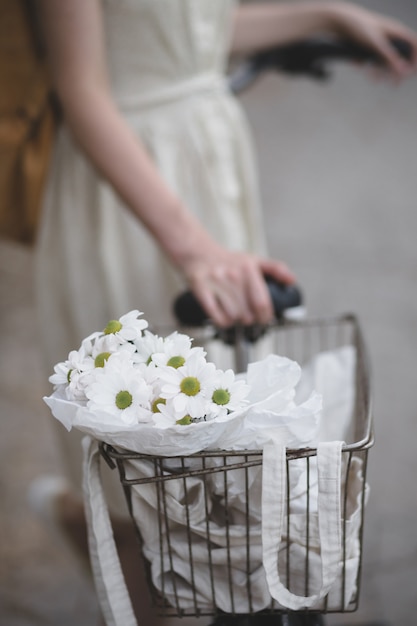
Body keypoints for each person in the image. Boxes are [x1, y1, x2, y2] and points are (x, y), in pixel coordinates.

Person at [30, 1, 417, 625]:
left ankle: (80, 519)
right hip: (129, 185)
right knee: (142, 471)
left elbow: (184, 30)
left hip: (208, 167)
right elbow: (81, 89)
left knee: (223, 464)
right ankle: (95, 527)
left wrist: (328, 16)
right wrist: (197, 251)